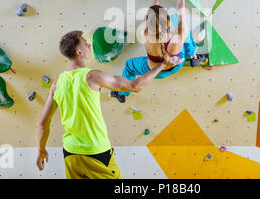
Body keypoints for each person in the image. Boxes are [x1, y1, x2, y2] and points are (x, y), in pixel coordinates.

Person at [36, 30, 181, 179]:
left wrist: (41, 150)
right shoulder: (92, 76)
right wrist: (162, 65)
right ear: (79, 51)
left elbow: (42, 124)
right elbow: (135, 86)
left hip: (70, 154)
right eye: (86, 44)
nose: (89, 45)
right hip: (96, 153)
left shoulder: (56, 83)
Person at [111, 0, 207, 103]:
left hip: (157, 72)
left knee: (129, 66)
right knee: (185, 33)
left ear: (148, 24)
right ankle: (193, 56)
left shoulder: (144, 34)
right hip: (176, 65)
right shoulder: (179, 35)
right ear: (167, 22)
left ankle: (122, 93)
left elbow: (154, 9)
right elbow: (180, 7)